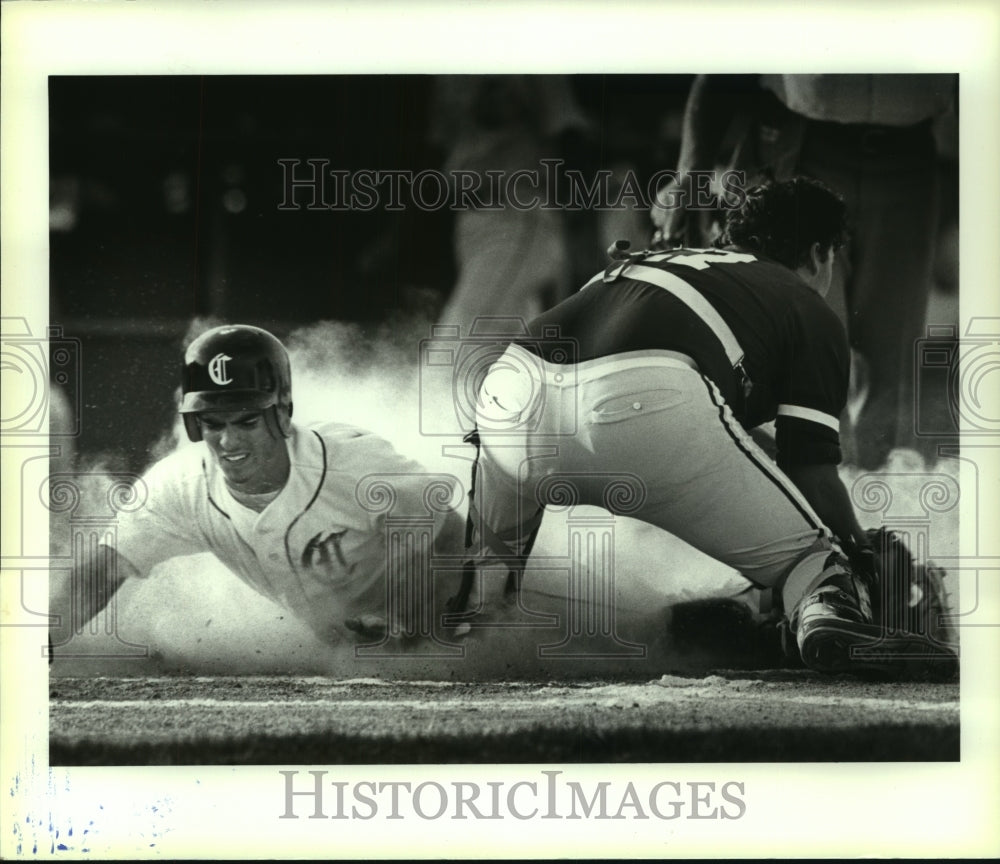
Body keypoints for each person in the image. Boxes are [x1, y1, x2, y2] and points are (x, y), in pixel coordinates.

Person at [448, 177, 956, 679]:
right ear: (822, 253)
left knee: (486, 612)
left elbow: (729, 442)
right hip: (642, 405)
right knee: (814, 560)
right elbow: (812, 474)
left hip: (507, 397)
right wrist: (856, 552)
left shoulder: (646, 261)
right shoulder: (806, 304)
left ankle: (458, 622)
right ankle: (828, 614)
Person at [48, 324, 465, 657]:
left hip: (455, 613)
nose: (228, 442)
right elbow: (97, 575)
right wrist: (35, 648)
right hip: (351, 644)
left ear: (283, 413)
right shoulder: (180, 486)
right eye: (213, 423)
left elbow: (453, 538)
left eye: (246, 421)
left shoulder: (354, 465)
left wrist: (416, 621)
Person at [650, 73, 957, 468]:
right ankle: (817, 514)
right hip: (802, 149)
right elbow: (720, 70)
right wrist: (690, 173)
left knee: (892, 373)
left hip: (910, 159)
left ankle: (874, 505)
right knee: (809, 366)